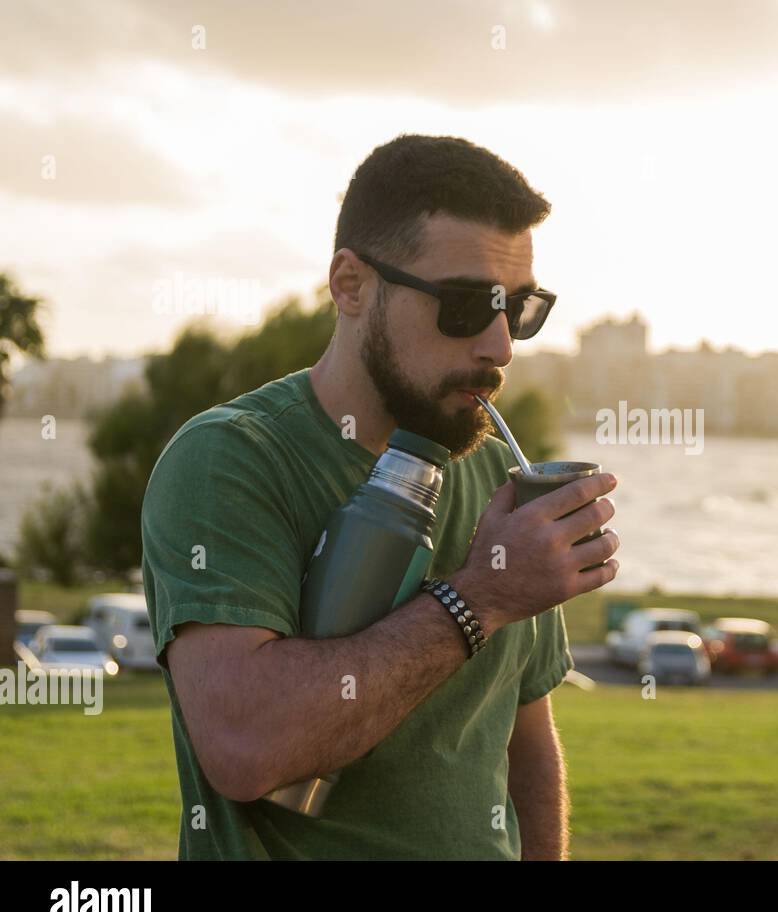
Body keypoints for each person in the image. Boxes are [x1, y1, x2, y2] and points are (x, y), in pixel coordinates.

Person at [140, 135, 621, 860]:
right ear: (351, 285)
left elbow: (526, 748)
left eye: (519, 310)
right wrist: (480, 596)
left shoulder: (500, 479)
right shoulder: (230, 459)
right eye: (464, 306)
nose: (500, 346)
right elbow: (244, 747)